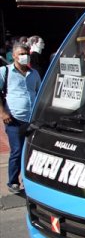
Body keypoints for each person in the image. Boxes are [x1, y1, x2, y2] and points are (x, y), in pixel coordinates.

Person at [1, 41, 42, 194]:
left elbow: (38, 92)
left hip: (31, 119)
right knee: (17, 151)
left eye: (26, 54)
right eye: (21, 54)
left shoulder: (34, 73)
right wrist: (3, 113)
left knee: (31, 152)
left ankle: (28, 180)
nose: (24, 57)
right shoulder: (5, 72)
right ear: (14, 56)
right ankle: (13, 182)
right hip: (14, 119)